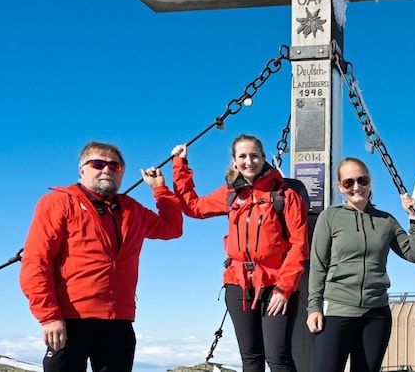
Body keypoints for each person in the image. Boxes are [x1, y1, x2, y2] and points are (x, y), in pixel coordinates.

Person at [19, 141, 184, 372]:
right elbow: (36, 262)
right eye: (98, 164)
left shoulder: (132, 210)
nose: (106, 170)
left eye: (114, 166)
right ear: (82, 169)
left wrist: (160, 189)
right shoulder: (59, 203)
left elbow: (172, 228)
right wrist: (49, 317)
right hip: (70, 319)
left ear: (122, 173)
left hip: (118, 321)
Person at [170, 134, 308, 372]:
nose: (249, 161)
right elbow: (194, 207)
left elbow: (299, 245)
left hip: (276, 285)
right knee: (251, 357)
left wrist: (284, 289)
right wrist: (180, 166)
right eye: (242, 156)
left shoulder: (285, 195)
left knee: (277, 357)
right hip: (238, 284)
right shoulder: (231, 194)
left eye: (254, 155)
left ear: (264, 158)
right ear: (234, 161)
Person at [306, 157, 415, 372]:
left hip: (376, 313)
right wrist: (314, 307)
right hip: (337, 310)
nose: (356, 187)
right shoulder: (330, 217)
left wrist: (414, 219)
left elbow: (413, 254)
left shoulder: (385, 221)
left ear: (369, 183)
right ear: (340, 187)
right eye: (348, 182)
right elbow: (318, 266)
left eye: (362, 180)